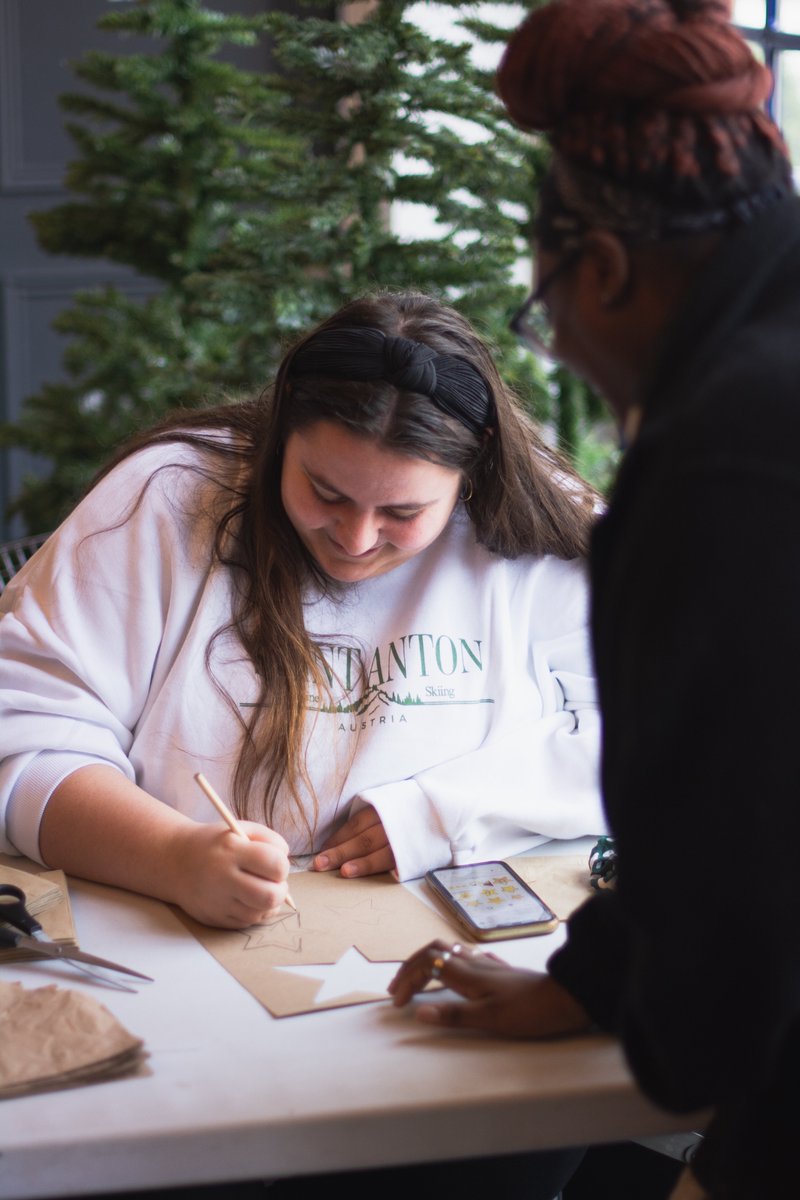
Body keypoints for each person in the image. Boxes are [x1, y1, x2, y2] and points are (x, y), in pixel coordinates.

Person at [390, 3, 800, 1198]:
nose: (558, 350)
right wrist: (593, 981)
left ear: (606, 270)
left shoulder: (723, 461)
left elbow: (731, 868)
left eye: (544, 317)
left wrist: (651, 1014)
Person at [0, 289, 605, 936]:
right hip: (166, 930)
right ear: (283, 426)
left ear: (473, 467)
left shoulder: (544, 526)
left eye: (403, 512)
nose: (356, 540)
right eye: (325, 492)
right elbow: (23, 740)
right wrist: (170, 857)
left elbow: (654, 735)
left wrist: (444, 813)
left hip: (473, 929)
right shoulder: (167, 495)